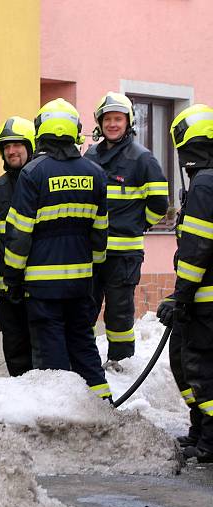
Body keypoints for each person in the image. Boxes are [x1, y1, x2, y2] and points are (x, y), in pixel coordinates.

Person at [3, 98, 112, 401]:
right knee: (84, 347)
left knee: (52, 357)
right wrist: (95, 275)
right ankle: (103, 406)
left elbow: (20, 234)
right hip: (80, 283)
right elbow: (100, 234)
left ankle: (61, 412)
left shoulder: (33, 173)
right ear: (75, 131)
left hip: (42, 286)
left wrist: (12, 276)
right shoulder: (95, 173)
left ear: (41, 131)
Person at [85, 92, 168, 370]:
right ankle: (84, 363)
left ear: (128, 122)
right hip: (92, 250)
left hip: (124, 254)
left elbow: (160, 203)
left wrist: (138, 224)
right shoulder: (91, 154)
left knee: (119, 313)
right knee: (85, 308)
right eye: (107, 119)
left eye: (118, 119)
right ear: (100, 122)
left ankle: (121, 362)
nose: (112, 124)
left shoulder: (142, 159)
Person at [157, 103, 213, 463]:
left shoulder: (206, 183)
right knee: (184, 362)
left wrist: (182, 297)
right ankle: (200, 429)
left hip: (203, 300)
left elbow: (197, 247)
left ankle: (210, 439)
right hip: (199, 297)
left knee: (199, 367)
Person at [0, 116, 36, 377]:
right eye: (6, 147)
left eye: (17, 145)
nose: (11, 151)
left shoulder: (40, 180)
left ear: (30, 146)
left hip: (37, 282)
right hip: (7, 285)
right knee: (14, 342)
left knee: (39, 344)